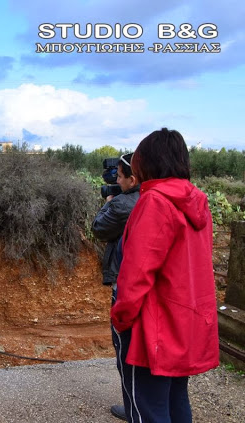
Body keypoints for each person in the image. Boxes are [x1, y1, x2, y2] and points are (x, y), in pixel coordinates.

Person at [111, 128, 219, 423]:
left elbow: (136, 273)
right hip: (185, 321)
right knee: (174, 396)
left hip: (152, 325)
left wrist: (121, 319)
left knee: (147, 406)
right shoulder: (197, 200)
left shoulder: (154, 202)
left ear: (146, 163)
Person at [91, 153, 140, 421]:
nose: (116, 181)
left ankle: (134, 409)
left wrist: (109, 203)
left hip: (125, 280)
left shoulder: (123, 205)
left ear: (133, 179)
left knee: (126, 351)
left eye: (120, 177)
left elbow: (99, 228)